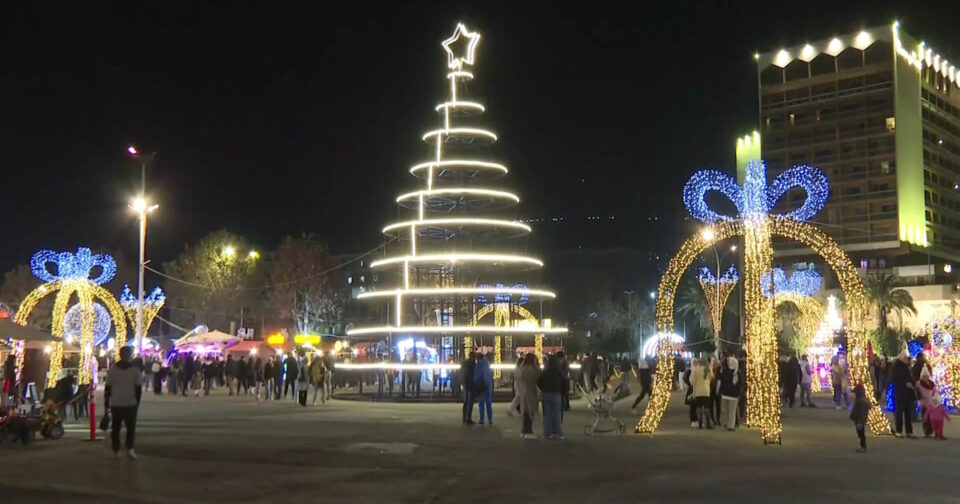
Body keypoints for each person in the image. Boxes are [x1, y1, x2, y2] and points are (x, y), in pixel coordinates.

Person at [105, 346, 143, 459]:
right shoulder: (135, 370)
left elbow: (108, 388)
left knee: (116, 428)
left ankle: (116, 449)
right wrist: (137, 402)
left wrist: (107, 403)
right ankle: (130, 449)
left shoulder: (113, 369)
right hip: (130, 403)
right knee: (130, 428)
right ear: (130, 355)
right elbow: (138, 388)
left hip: (116, 403)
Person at [538, 354, 566, 440]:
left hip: (546, 394)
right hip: (556, 394)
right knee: (557, 414)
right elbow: (564, 383)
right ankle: (558, 432)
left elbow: (539, 382)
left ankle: (547, 433)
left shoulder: (545, 372)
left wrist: (543, 389)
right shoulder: (559, 372)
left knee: (547, 415)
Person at [891, 351, 917, 438]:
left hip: (904, 393)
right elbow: (897, 379)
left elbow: (909, 378)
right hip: (901, 393)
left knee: (907, 413)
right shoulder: (898, 368)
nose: (908, 360)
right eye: (906, 358)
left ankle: (907, 431)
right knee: (900, 412)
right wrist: (907, 383)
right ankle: (900, 431)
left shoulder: (904, 367)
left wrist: (912, 383)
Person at [516, 353, 539, 439]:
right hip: (529, 393)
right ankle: (528, 431)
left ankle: (524, 431)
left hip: (524, 392)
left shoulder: (522, 368)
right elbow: (533, 380)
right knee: (529, 412)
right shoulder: (530, 369)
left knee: (526, 412)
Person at [689, 357, 713, 429]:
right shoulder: (708, 369)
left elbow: (692, 381)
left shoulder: (695, 370)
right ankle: (708, 423)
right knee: (707, 407)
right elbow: (712, 377)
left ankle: (700, 423)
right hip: (706, 391)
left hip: (697, 391)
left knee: (699, 407)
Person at [719, 354, 740, 430]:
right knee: (732, 410)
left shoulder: (725, 371)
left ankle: (725, 423)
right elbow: (739, 384)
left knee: (725, 409)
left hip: (725, 394)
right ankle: (731, 425)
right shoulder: (736, 373)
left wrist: (720, 391)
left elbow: (721, 382)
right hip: (733, 395)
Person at [917, 367, 937, 438]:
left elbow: (935, 392)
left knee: (931, 418)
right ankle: (926, 431)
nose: (925, 378)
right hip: (923, 403)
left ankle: (930, 431)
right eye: (924, 376)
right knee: (925, 418)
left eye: (926, 376)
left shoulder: (931, 384)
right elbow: (918, 393)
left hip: (930, 403)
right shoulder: (919, 384)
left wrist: (935, 400)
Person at [474, 352, 493, 425]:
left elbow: (476, 376)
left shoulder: (478, 365)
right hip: (488, 386)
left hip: (481, 386)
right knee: (488, 403)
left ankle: (482, 419)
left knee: (481, 403)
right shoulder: (487, 364)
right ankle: (490, 419)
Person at [850, 383, 869, 453]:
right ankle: (862, 446)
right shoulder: (861, 400)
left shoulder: (860, 401)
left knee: (861, 433)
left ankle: (863, 446)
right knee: (860, 433)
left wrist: (858, 420)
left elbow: (859, 411)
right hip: (859, 420)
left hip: (860, 420)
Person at [461, 353, 476, 424]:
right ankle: (468, 418)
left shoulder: (464, 363)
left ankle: (464, 418)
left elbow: (462, 373)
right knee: (470, 402)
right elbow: (472, 374)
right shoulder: (473, 364)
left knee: (466, 402)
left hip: (465, 384)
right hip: (470, 385)